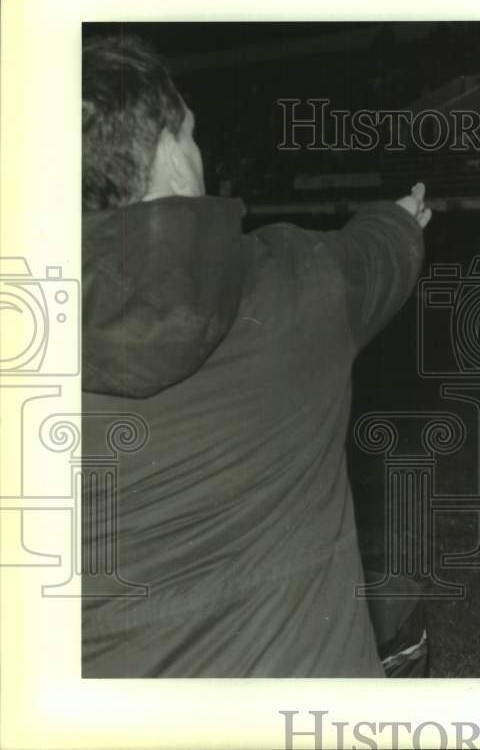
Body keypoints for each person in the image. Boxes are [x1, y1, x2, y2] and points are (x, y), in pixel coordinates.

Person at [80, 35, 431, 677]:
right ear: (169, 156)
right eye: (188, 134)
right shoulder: (295, 281)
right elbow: (380, 251)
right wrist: (399, 218)